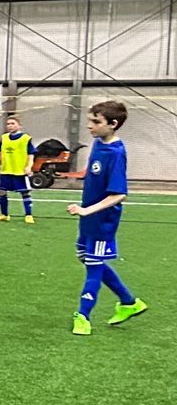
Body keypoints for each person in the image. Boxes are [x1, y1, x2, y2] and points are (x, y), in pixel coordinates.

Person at [69, 100, 148, 335]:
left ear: (113, 124)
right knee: (88, 259)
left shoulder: (117, 153)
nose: (90, 126)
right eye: (90, 120)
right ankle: (129, 302)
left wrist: (87, 210)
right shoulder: (97, 143)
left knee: (93, 266)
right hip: (89, 218)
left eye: (96, 122)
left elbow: (119, 194)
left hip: (103, 221)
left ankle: (83, 316)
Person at [0, 113, 35, 224]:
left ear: (19, 125)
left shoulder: (26, 139)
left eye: (12, 123)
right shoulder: (4, 138)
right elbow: (1, 153)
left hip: (19, 171)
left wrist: (29, 166)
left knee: (25, 192)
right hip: (6, 170)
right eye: (8, 124)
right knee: (2, 191)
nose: (10, 126)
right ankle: (4, 214)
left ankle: (28, 215)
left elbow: (31, 154)